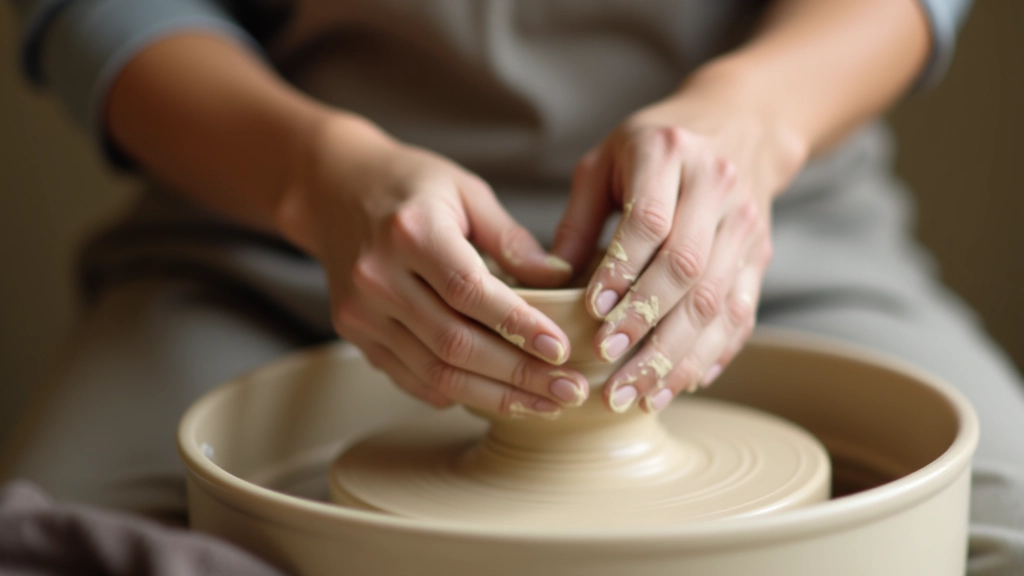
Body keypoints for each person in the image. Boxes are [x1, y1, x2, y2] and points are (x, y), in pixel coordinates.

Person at [3, 0, 1022, 573]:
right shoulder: (298, 202)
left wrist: (749, 120)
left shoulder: (751, 193)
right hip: (275, 236)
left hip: (760, 230)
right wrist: (315, 178)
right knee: (57, 548)